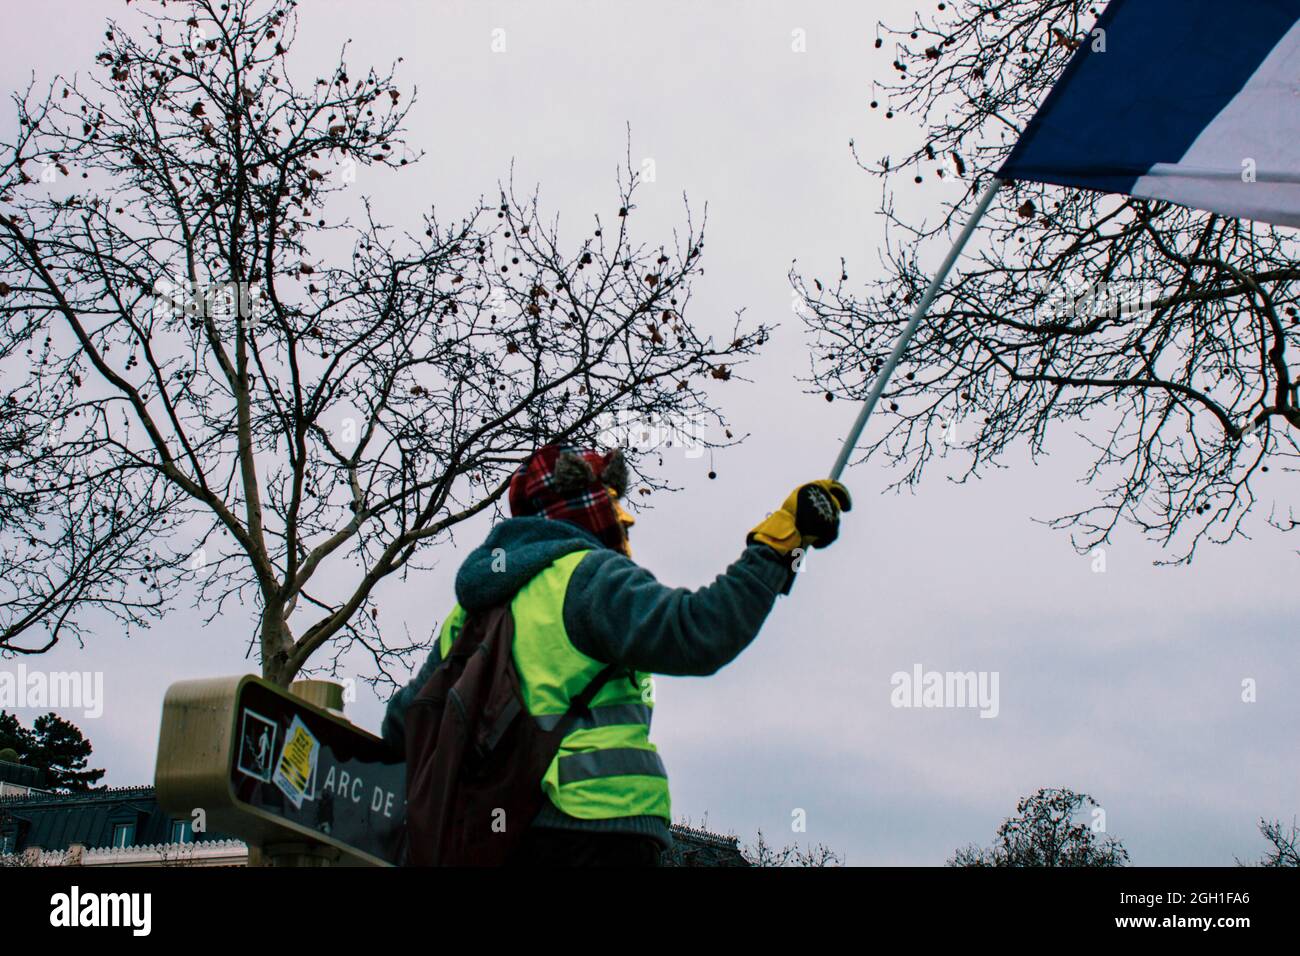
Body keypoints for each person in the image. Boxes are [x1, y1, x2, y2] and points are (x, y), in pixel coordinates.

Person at [382, 443, 850, 866]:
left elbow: (402, 723)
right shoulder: (587, 578)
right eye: (614, 506)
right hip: (601, 830)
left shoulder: (470, 612)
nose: (626, 522)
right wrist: (780, 543)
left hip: (502, 835)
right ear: (588, 510)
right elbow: (702, 631)